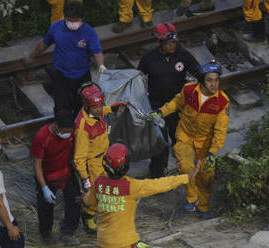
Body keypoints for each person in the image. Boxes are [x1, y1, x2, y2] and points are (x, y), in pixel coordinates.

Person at [149, 60, 230, 219]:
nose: (214, 84)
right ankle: (192, 199)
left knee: (207, 175)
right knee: (186, 166)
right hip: (185, 135)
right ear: (202, 80)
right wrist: (160, 112)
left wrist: (212, 153)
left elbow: (221, 131)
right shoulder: (189, 91)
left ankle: (203, 206)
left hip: (205, 142)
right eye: (209, 80)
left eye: (216, 80)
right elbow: (174, 104)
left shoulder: (222, 102)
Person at [82, 143, 200, 248]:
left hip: (103, 241)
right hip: (125, 242)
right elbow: (159, 184)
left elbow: (89, 202)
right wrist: (186, 177)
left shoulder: (99, 183)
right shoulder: (131, 186)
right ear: (127, 166)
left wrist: (83, 198)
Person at [138, 22, 199, 178]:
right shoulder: (148, 59)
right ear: (160, 42)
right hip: (157, 108)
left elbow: (200, 74)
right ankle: (157, 175)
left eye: (174, 42)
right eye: (168, 43)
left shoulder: (183, 55)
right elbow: (136, 81)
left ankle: (185, 171)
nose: (172, 45)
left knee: (181, 140)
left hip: (179, 107)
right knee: (160, 144)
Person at [29, 1, 106, 116]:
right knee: (61, 107)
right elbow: (44, 44)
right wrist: (32, 56)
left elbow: (97, 52)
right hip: (61, 74)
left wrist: (101, 65)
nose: (73, 24)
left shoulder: (89, 32)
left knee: (82, 108)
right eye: (70, 20)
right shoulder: (56, 27)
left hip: (82, 77)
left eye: (76, 21)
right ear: (65, 17)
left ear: (81, 19)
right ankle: (63, 129)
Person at [74, 82, 126, 232]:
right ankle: (88, 217)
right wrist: (85, 179)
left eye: (100, 106)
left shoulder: (96, 112)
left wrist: (112, 108)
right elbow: (79, 157)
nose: (99, 110)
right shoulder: (83, 127)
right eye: (95, 107)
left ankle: (106, 217)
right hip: (93, 164)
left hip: (104, 158)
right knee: (96, 196)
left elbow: (103, 111)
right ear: (87, 106)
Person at [30, 110, 81, 245]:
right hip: (47, 175)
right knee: (45, 209)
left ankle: (67, 233)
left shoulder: (73, 130)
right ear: (57, 126)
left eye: (69, 131)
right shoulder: (42, 137)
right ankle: (46, 235)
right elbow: (37, 166)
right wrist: (44, 188)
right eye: (65, 131)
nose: (67, 134)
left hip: (66, 171)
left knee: (75, 202)